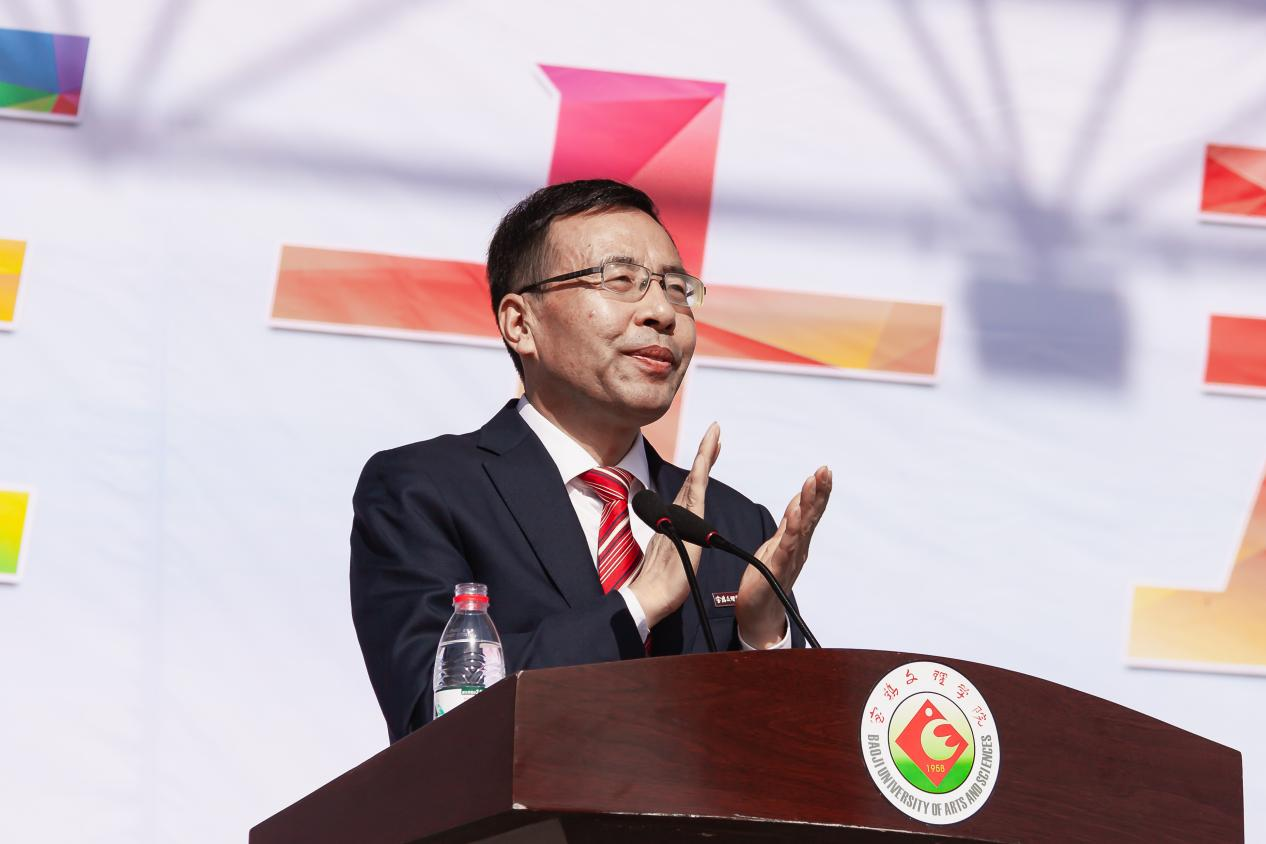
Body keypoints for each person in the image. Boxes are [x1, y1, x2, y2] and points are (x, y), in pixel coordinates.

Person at [351, 180, 832, 742]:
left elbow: (789, 757)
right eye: (620, 280)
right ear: (520, 323)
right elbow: (431, 714)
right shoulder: (426, 491)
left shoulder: (734, 526)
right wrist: (639, 603)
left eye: (676, 288)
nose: (661, 312)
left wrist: (760, 637)